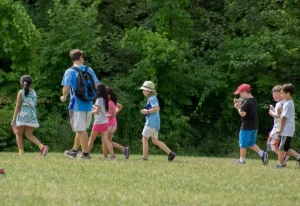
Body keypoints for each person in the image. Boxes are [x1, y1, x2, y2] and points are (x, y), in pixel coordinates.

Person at [61, 49, 99, 159]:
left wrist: (64, 97)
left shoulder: (70, 71)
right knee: (81, 129)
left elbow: (66, 87)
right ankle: (74, 151)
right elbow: (96, 85)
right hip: (89, 104)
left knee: (81, 130)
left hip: (76, 105)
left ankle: (86, 154)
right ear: (80, 57)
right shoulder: (89, 69)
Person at [11, 75, 48, 156]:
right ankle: (42, 147)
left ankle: (21, 152)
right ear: (30, 83)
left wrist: (14, 119)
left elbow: (18, 106)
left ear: (21, 83)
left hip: (22, 115)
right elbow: (34, 104)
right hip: (31, 115)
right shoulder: (34, 92)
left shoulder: (20, 92)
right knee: (29, 135)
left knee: (18, 134)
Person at [139, 81, 176, 162]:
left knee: (144, 138)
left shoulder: (152, 98)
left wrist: (147, 111)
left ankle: (145, 158)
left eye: (144, 90)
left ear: (148, 91)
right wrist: (147, 110)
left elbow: (157, 108)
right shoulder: (152, 98)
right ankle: (170, 153)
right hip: (155, 123)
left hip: (150, 123)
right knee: (155, 140)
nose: (143, 92)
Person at [233, 83, 268, 165]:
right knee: (251, 143)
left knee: (243, 143)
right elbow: (248, 110)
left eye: (240, 93)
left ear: (244, 92)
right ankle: (262, 154)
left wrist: (238, 108)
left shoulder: (246, 102)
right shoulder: (253, 100)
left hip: (246, 126)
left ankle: (242, 160)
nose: (240, 95)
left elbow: (243, 114)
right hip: (254, 126)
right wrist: (241, 105)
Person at [87, 83, 116, 159]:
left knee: (91, 139)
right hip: (105, 122)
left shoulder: (99, 99)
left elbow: (97, 111)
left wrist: (90, 111)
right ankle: (113, 155)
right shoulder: (105, 99)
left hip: (98, 122)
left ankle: (86, 154)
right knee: (106, 140)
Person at [275, 84, 300, 168]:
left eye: (282, 93)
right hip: (287, 129)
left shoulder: (288, 104)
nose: (281, 95)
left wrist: (280, 129)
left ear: (288, 94)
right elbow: (281, 115)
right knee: (285, 147)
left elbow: (283, 118)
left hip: (286, 129)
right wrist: (279, 111)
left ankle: (280, 164)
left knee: (281, 147)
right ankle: (298, 156)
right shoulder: (288, 103)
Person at [102, 87, 129, 159]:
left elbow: (112, 115)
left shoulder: (110, 103)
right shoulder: (111, 102)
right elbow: (120, 106)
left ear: (109, 96)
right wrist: (114, 113)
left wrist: (106, 116)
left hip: (110, 124)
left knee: (104, 140)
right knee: (108, 141)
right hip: (112, 124)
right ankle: (123, 149)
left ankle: (108, 156)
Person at [267, 85, 289, 165]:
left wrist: (271, 112)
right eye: (273, 95)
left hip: (278, 127)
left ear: (281, 93)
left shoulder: (280, 103)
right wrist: (274, 110)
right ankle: (295, 157)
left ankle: (283, 157)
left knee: (271, 143)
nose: (274, 96)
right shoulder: (285, 102)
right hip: (282, 126)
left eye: (276, 94)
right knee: (281, 145)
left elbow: (277, 115)